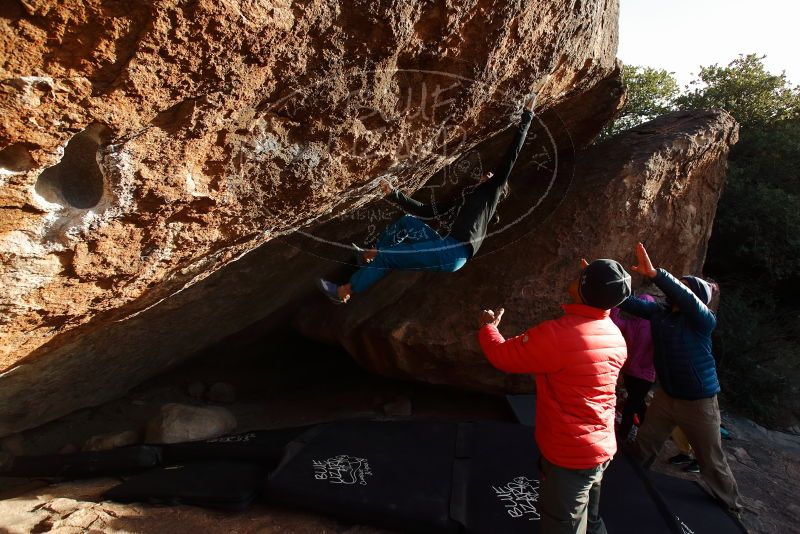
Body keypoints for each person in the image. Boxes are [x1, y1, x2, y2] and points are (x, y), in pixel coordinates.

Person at [317, 92, 538, 303]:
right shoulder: (466, 198)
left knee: (388, 256)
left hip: (453, 254)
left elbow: (511, 157)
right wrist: (395, 195)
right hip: (444, 244)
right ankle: (369, 257)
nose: (487, 174)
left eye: (491, 176)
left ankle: (345, 290)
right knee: (407, 223)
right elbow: (426, 211)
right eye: (485, 173)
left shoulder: (490, 194)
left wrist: (527, 117)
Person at [478, 258, 631, 534]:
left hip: (569, 455)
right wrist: (592, 281)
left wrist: (488, 327)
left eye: (580, 275)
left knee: (562, 526)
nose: (574, 274)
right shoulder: (615, 335)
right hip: (600, 447)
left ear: (585, 288)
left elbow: (503, 356)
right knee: (592, 521)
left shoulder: (558, 336)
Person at [620, 242, 742, 513]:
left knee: (711, 460)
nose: (676, 290)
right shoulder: (660, 314)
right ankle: (627, 484)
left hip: (699, 402)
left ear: (693, 296)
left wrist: (657, 275)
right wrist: (602, 284)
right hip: (666, 395)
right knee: (644, 444)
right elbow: (627, 302)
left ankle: (732, 508)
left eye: (682, 286)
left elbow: (686, 299)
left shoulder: (704, 321)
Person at [610, 294, 656, 442]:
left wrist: (616, 304)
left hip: (637, 372)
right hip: (640, 373)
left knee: (632, 404)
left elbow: (614, 321)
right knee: (637, 402)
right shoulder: (653, 326)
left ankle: (623, 435)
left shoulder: (633, 323)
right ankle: (644, 428)